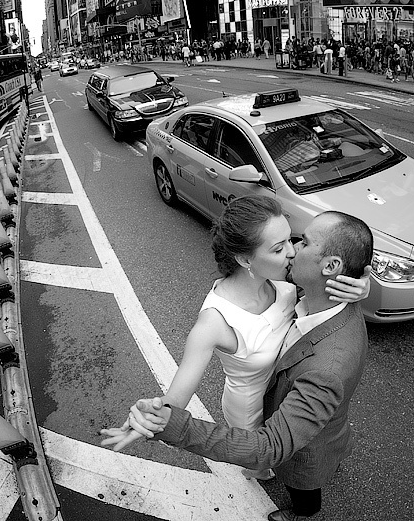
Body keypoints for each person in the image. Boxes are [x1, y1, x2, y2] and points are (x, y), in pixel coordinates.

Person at [103, 205, 373, 521]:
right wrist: (155, 417)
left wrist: (361, 282)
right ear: (245, 260)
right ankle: (263, 474)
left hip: (288, 400)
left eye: (296, 241)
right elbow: (177, 397)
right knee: (258, 458)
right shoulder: (215, 323)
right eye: (280, 247)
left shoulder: (288, 285)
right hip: (250, 405)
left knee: (287, 454)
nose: (291, 253)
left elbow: (327, 278)